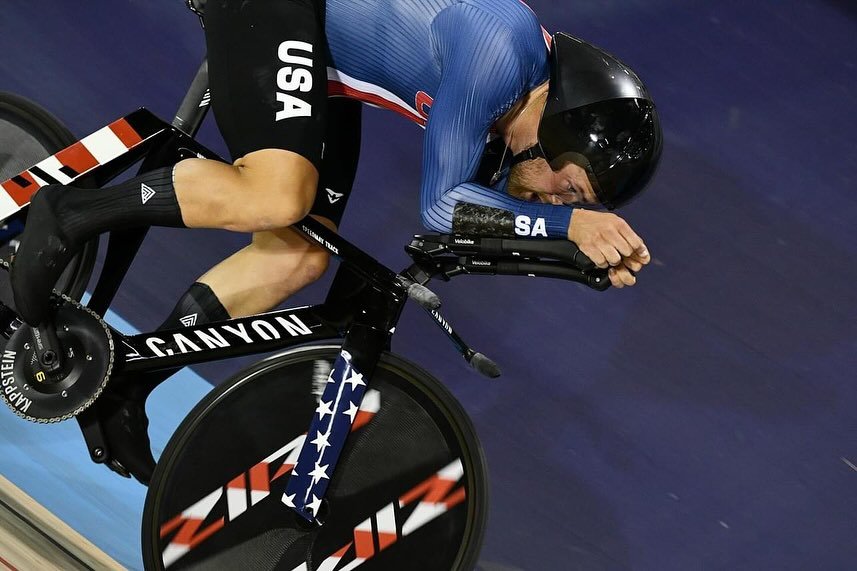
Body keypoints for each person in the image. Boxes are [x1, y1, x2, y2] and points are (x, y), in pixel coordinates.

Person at [9, 0, 662, 482]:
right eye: (570, 188)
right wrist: (569, 228)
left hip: (318, 46)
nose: (557, 201)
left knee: (297, 256)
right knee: (278, 193)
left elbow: (463, 232)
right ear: (561, 128)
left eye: (573, 203)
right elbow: (443, 209)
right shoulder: (502, 50)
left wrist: (573, 257)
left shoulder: (514, 129)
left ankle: (129, 385)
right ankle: (67, 213)